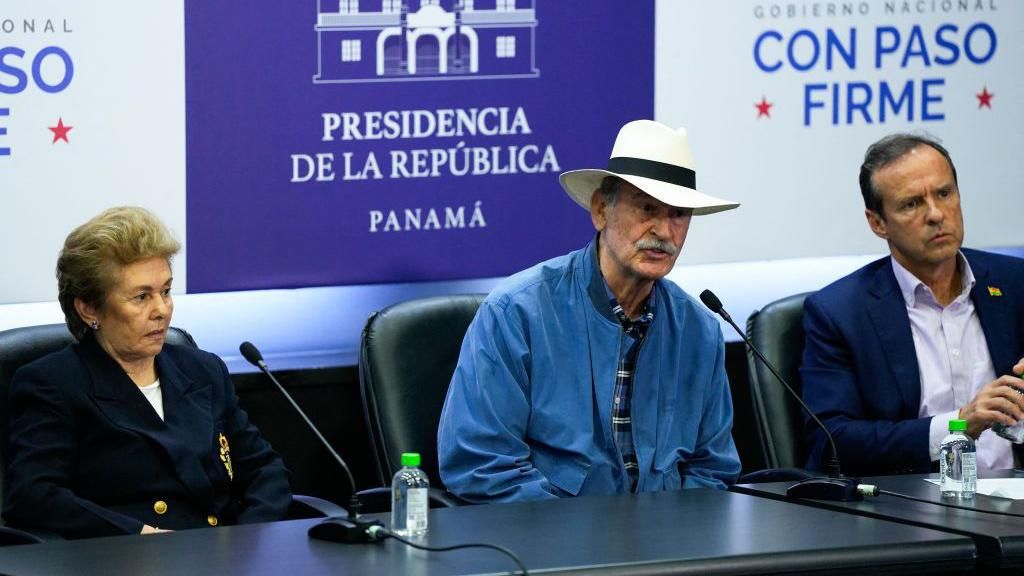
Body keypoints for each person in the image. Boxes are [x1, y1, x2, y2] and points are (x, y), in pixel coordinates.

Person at [438, 120, 742, 503]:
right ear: (601, 210)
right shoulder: (517, 312)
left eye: (678, 214)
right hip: (551, 548)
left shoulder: (700, 331)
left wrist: (671, 537)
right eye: (647, 209)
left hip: (669, 551)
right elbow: (481, 465)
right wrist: (588, 543)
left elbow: (713, 469)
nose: (664, 231)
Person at [3, 207, 292, 539]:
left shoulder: (202, 370)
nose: (161, 310)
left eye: (166, 291)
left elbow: (265, 471)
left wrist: (246, 540)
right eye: (141, 297)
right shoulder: (52, 384)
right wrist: (138, 535)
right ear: (89, 309)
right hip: (126, 561)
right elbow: (34, 495)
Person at [801, 133, 1024, 476]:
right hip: (911, 511)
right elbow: (833, 441)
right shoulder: (840, 313)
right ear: (877, 223)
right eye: (912, 204)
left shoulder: (1014, 283)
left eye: (944, 194)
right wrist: (959, 425)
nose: (936, 214)